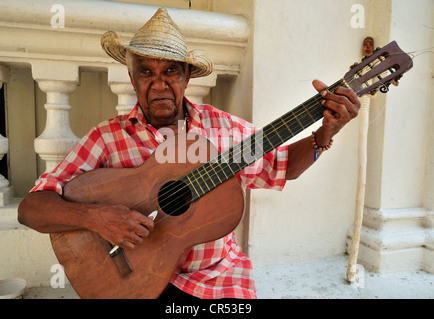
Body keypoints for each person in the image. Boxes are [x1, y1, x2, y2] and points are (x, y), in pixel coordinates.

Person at [18, 8, 360, 299]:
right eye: (146, 72)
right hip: (133, 278)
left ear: (186, 77)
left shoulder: (224, 130)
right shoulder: (107, 137)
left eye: (170, 71)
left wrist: (325, 132)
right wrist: (96, 219)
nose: (159, 83)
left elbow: (282, 166)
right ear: (132, 77)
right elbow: (31, 208)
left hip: (214, 280)